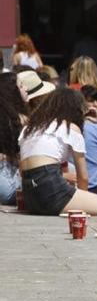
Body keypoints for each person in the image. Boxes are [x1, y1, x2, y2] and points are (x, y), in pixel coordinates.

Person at [18, 88, 97, 216]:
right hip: (52, 190)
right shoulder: (70, 127)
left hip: (30, 196)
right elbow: (83, 177)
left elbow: (22, 170)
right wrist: (83, 199)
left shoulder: (29, 128)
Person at [0, 72, 27, 204]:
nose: (26, 88)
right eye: (21, 86)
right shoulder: (19, 120)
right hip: (8, 186)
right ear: (12, 92)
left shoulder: (11, 117)